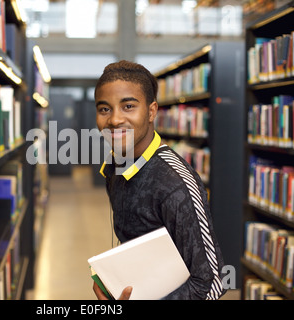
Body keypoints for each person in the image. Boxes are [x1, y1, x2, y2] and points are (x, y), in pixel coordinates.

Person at [93, 60, 227, 300]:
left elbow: (213, 283)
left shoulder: (174, 182)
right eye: (105, 109)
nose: (114, 120)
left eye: (128, 106)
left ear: (152, 111)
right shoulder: (115, 167)